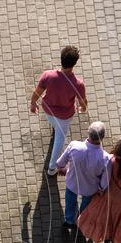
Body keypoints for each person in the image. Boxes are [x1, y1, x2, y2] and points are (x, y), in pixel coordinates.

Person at [30, 46, 87, 176]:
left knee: (55, 126)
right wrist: (82, 108)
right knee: (59, 140)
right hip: (64, 116)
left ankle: (54, 128)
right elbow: (83, 101)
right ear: (74, 63)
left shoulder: (48, 75)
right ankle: (52, 167)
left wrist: (33, 103)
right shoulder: (78, 84)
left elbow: (37, 92)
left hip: (48, 111)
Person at [56, 121, 109, 232]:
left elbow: (60, 163)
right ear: (102, 137)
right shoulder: (105, 158)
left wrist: (62, 169)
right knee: (85, 207)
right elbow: (105, 179)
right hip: (90, 189)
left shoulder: (74, 146)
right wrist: (101, 189)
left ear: (88, 133)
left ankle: (69, 220)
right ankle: (81, 222)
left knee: (70, 202)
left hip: (72, 183)